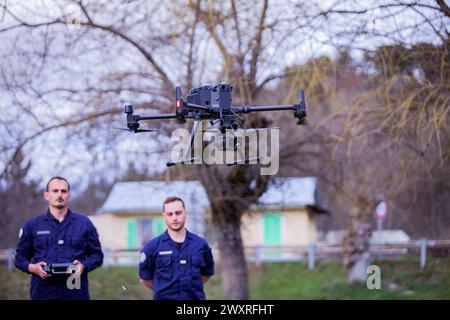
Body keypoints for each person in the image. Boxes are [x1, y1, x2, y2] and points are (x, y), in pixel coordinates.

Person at [15, 176, 104, 300]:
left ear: (69, 195)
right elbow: (19, 258)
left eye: (63, 191)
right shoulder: (32, 225)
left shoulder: (84, 224)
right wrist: (33, 268)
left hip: (75, 289)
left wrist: (83, 266)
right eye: (55, 191)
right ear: (47, 195)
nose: (59, 195)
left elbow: (97, 256)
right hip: (43, 291)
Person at [139, 196, 214, 300]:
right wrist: (163, 289)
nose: (174, 218)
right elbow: (145, 279)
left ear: (185, 213)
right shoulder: (151, 247)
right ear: (164, 216)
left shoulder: (201, 244)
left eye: (178, 213)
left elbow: (207, 274)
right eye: (170, 214)